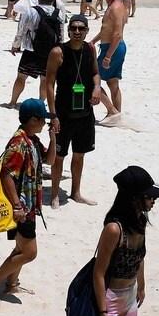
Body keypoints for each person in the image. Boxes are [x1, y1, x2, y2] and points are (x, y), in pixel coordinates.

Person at [91, 166, 159, 316]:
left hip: (131, 297)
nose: (153, 200)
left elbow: (140, 256)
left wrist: (142, 285)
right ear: (134, 198)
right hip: (111, 302)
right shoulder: (114, 229)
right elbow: (98, 273)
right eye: (149, 196)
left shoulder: (140, 220)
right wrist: (103, 314)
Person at [0, 99, 50, 300]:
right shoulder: (19, 143)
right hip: (21, 206)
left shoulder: (32, 139)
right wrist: (16, 206)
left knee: (21, 247)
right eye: (42, 120)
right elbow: (6, 175)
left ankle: (11, 283)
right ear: (33, 120)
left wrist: (55, 137)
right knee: (30, 252)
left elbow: (49, 159)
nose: (44, 123)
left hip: (29, 205)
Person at [44, 15, 101, 206]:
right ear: (68, 30)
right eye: (74, 28)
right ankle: (53, 195)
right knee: (59, 157)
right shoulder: (58, 52)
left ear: (86, 31)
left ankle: (76, 192)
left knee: (79, 155)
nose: (77, 32)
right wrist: (53, 115)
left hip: (85, 113)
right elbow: (49, 84)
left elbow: (95, 73)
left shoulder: (90, 49)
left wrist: (97, 88)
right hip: (63, 114)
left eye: (81, 29)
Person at [10, 0, 62, 106]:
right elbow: (60, 33)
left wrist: (16, 45)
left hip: (31, 50)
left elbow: (21, 30)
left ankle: (13, 102)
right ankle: (40, 102)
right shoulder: (58, 13)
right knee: (45, 79)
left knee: (21, 77)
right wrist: (60, 49)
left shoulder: (31, 11)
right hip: (50, 52)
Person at [92, 0, 126, 119]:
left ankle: (113, 111)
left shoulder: (116, 7)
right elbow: (106, 29)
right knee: (112, 82)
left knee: (93, 79)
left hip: (113, 48)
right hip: (112, 47)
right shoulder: (114, 6)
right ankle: (116, 115)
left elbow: (117, 34)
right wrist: (93, 41)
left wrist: (108, 56)